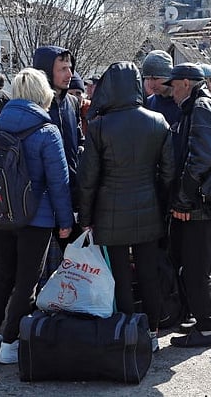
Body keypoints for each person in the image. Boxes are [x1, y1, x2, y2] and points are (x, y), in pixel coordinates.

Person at [0, 68, 73, 364]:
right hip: (37, 216)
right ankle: (10, 344)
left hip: (0, 211)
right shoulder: (47, 130)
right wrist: (66, 221)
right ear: (43, 94)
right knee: (27, 280)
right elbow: (59, 181)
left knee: (3, 274)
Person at [77, 62, 175, 352]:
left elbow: (88, 179)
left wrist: (85, 216)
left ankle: (127, 331)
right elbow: (169, 172)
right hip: (148, 206)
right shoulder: (158, 121)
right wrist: (159, 199)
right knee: (148, 271)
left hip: (109, 210)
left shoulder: (99, 126)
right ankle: (154, 333)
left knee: (119, 274)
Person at [166, 63, 211, 348]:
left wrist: (184, 198)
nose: (170, 92)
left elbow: (200, 159)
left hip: (201, 203)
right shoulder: (208, 104)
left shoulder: (201, 108)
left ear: (185, 82)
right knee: (210, 265)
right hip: (210, 200)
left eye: (172, 86)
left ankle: (206, 328)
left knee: (196, 268)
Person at [32, 46, 83, 218]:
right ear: (46, 72)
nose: (69, 74)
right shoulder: (34, 106)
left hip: (71, 194)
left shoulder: (72, 103)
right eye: (63, 69)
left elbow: (78, 142)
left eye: (70, 68)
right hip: (41, 199)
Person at [135, 50, 181, 126]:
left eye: (155, 79)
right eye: (147, 79)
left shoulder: (184, 105)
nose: (151, 85)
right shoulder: (148, 104)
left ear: (169, 77)